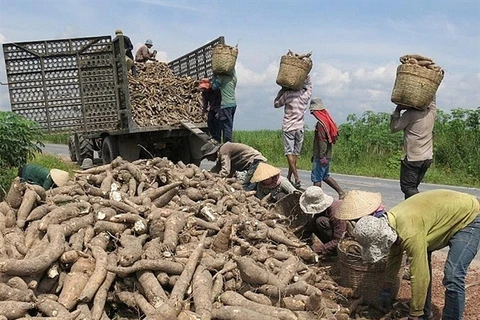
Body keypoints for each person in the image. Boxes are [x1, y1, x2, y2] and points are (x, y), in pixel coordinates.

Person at [353, 189, 480, 320]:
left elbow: (420, 275)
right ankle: (425, 314)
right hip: (442, 217)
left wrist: (414, 314)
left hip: (470, 217)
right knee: (422, 262)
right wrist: (387, 286)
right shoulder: (390, 223)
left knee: (453, 275)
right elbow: (395, 254)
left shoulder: (409, 232)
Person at [390, 98, 437, 199]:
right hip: (427, 157)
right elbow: (432, 99)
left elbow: (394, 128)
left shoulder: (410, 114)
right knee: (413, 187)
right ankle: (410, 212)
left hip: (413, 158)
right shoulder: (431, 112)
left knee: (408, 188)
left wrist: (398, 109)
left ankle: (422, 204)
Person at [274, 75, 313, 189]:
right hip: (300, 127)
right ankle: (289, 177)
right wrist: (306, 74)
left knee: (289, 153)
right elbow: (310, 86)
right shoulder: (304, 95)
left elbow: (276, 104)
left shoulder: (287, 95)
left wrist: (281, 91)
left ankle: (296, 177)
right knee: (295, 154)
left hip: (288, 127)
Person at [309, 98, 345, 199]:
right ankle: (341, 192)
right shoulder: (328, 122)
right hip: (326, 155)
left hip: (322, 155)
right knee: (325, 176)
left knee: (317, 179)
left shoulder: (321, 125)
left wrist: (321, 156)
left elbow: (322, 141)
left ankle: (316, 199)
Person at [299, 186, 346, 257]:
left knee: (321, 221)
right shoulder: (324, 209)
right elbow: (310, 225)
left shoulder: (336, 214)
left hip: (344, 239)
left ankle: (333, 252)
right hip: (335, 233)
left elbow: (339, 241)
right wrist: (302, 239)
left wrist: (318, 249)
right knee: (315, 220)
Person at [200, 141, 266, 190]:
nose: (208, 160)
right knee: (253, 186)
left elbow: (225, 171)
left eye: (208, 157)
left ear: (211, 153)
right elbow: (217, 169)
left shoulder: (224, 150)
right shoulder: (222, 152)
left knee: (247, 187)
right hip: (255, 163)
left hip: (256, 161)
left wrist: (216, 179)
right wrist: (207, 174)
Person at [212, 69, 237, 143]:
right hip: (233, 105)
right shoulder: (233, 78)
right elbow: (233, 71)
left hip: (225, 105)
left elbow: (214, 87)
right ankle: (227, 141)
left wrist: (214, 76)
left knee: (225, 125)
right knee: (229, 124)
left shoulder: (221, 78)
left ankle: (227, 143)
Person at [198, 78, 221, 143]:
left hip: (218, 107)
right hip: (212, 108)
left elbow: (221, 101)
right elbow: (205, 103)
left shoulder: (216, 90)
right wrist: (203, 112)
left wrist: (219, 111)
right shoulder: (204, 93)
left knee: (217, 121)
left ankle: (217, 138)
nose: (205, 89)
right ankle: (213, 136)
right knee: (210, 121)